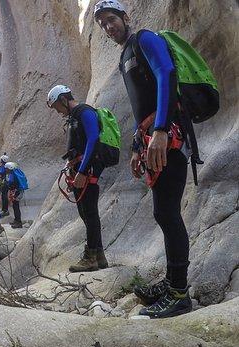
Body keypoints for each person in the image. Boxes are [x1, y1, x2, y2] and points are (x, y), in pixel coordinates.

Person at [94, 0, 192, 318]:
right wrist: (138, 144)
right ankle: (172, 282)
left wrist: (161, 130)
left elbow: (166, 73)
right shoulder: (126, 55)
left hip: (169, 136)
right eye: (103, 25)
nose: (109, 28)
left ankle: (179, 294)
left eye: (112, 20)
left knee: (167, 213)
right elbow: (142, 105)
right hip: (153, 138)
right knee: (163, 213)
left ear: (125, 17)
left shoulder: (145, 39)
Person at [47, 85, 109, 272]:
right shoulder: (74, 116)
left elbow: (93, 139)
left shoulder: (85, 112)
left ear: (64, 99)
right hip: (79, 169)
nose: (57, 111)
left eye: (57, 106)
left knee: (89, 213)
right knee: (86, 213)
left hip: (87, 170)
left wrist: (82, 171)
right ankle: (98, 256)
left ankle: (91, 257)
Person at [4, 162, 24, 229]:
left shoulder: (12, 175)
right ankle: (16, 220)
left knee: (16, 207)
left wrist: (7, 184)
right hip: (18, 191)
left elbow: (11, 183)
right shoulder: (14, 173)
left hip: (16, 192)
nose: (5, 170)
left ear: (10, 168)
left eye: (6, 169)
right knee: (15, 206)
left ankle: (18, 222)